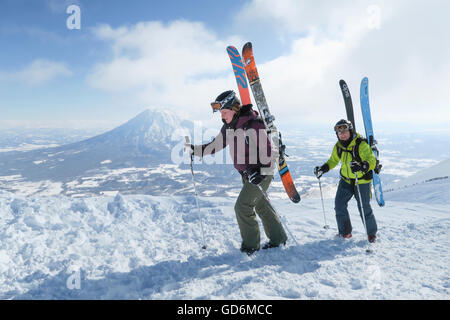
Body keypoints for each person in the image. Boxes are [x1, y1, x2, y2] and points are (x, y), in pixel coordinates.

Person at [186, 90, 287, 255]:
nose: (222, 116)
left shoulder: (254, 124)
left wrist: (259, 174)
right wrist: (195, 150)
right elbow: (215, 145)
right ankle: (278, 239)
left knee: (242, 207)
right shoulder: (229, 127)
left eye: (224, 112)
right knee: (261, 205)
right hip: (248, 175)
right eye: (220, 113)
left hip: (262, 173)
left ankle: (251, 246)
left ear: (234, 108)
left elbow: (268, 152)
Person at [314, 119, 378, 243]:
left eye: (345, 131)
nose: (342, 134)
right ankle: (345, 233)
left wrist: (362, 166)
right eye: (339, 132)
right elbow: (333, 161)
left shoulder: (361, 144)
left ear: (350, 131)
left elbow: (372, 160)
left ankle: (371, 234)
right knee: (339, 205)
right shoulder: (338, 146)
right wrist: (323, 169)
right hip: (346, 181)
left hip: (361, 181)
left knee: (364, 207)